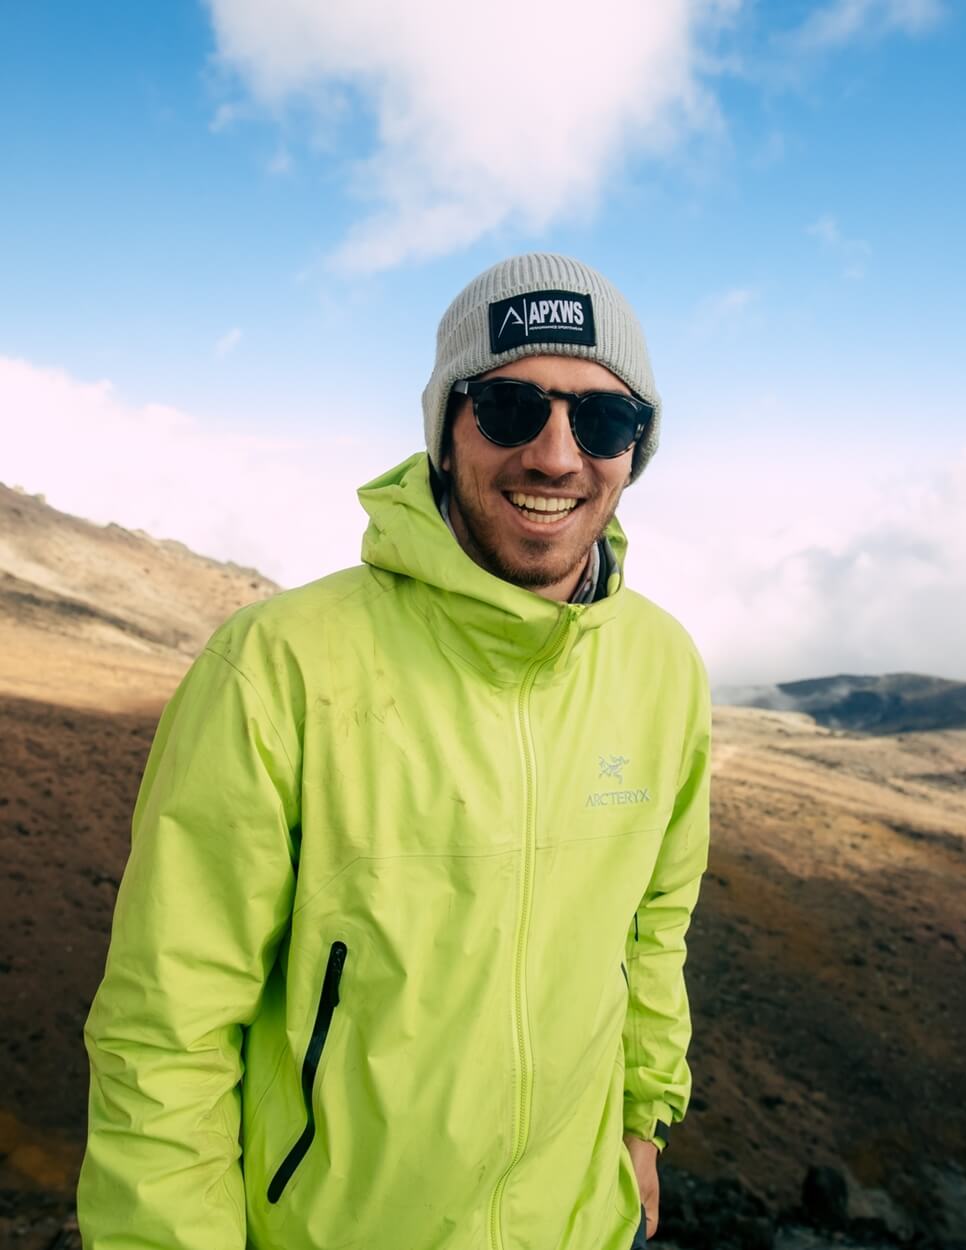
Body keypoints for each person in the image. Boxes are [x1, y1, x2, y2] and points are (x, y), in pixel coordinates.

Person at [79, 252, 711, 1250]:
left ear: (638, 448)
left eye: (603, 420)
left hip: (586, 1224)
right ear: (443, 429)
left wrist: (641, 1121)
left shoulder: (662, 666)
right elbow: (169, 1025)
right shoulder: (278, 663)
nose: (555, 456)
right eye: (510, 407)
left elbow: (651, 926)